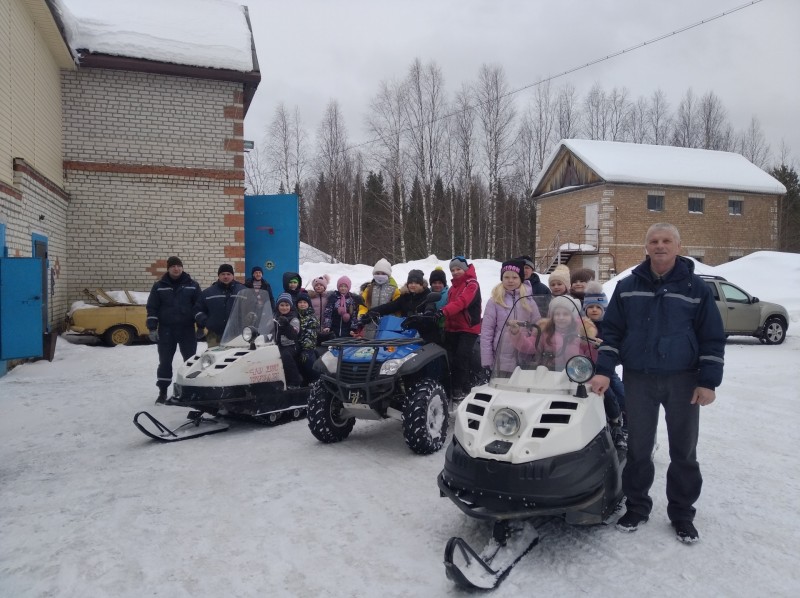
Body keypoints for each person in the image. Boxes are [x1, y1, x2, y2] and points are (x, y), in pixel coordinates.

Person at [589, 223, 725, 544]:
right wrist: (604, 370)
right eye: (654, 241)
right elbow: (612, 335)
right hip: (640, 379)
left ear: (678, 246)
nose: (660, 246)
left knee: (683, 451)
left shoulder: (696, 288)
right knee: (638, 449)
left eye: (666, 241)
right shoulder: (628, 287)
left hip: (684, 381)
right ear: (646, 246)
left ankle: (681, 513)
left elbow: (712, 338)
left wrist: (708, 381)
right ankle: (637, 506)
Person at [146, 256, 202, 403]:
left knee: (190, 361)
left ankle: (190, 391)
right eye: (173, 266)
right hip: (166, 330)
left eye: (178, 266)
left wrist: (200, 327)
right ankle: (163, 392)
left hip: (187, 330)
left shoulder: (193, 285)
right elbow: (152, 308)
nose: (176, 269)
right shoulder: (159, 286)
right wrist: (152, 328)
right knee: (165, 362)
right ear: (168, 269)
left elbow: (199, 307)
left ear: (182, 268)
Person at [582, 281, 627, 450]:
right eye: (591, 307)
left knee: (619, 393)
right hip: (585, 369)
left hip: (606, 369)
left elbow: (617, 348)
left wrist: (605, 350)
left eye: (598, 307)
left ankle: (623, 424)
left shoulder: (609, 327)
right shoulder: (583, 326)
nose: (594, 310)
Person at [480, 259, 541, 374]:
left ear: (521, 279)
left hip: (524, 356)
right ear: (502, 278)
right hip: (501, 357)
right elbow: (487, 331)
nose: (510, 281)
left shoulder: (529, 300)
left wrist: (535, 350)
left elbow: (537, 326)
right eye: (506, 277)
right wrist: (487, 359)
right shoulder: (495, 301)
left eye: (514, 277)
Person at [508, 295, 596, 371]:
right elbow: (529, 346)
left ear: (573, 316)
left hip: (574, 373)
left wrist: (595, 348)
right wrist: (516, 333)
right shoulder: (544, 330)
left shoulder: (582, 332)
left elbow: (590, 356)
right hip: (548, 372)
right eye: (557, 314)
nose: (561, 317)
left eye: (565, 314)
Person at [440, 256, 481, 399]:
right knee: (448, 358)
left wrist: (444, 312)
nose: (456, 272)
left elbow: (462, 302)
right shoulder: (452, 288)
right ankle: (450, 386)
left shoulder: (472, 284)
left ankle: (462, 387)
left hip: (468, 328)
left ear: (465, 269)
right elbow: (449, 304)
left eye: (458, 269)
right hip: (452, 328)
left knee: (461, 357)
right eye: (453, 270)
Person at [196, 263, 247, 347]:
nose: (226, 276)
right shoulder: (208, 293)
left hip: (237, 335)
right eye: (223, 274)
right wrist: (206, 321)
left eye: (228, 274)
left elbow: (251, 309)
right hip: (214, 335)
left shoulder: (243, 291)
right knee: (215, 358)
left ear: (233, 276)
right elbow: (198, 310)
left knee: (236, 358)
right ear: (218, 276)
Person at [274, 293, 303, 388]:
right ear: (278, 306)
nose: (284, 308)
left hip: (291, 345)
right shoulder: (274, 317)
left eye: (287, 305)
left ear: (290, 306)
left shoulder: (294, 319)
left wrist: (286, 325)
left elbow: (294, 335)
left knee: (285, 355)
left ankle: (295, 381)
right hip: (276, 345)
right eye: (282, 305)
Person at [295, 291, 319, 384]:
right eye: (300, 302)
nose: (302, 304)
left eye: (304, 302)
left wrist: (305, 349)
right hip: (296, 345)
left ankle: (316, 380)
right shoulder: (295, 316)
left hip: (308, 346)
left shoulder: (311, 318)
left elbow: (310, 335)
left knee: (307, 359)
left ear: (308, 304)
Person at [308, 275, 332, 341]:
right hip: (314, 327)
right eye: (316, 285)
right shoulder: (311, 298)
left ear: (325, 287)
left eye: (321, 285)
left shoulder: (328, 297)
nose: (318, 286)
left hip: (325, 327)